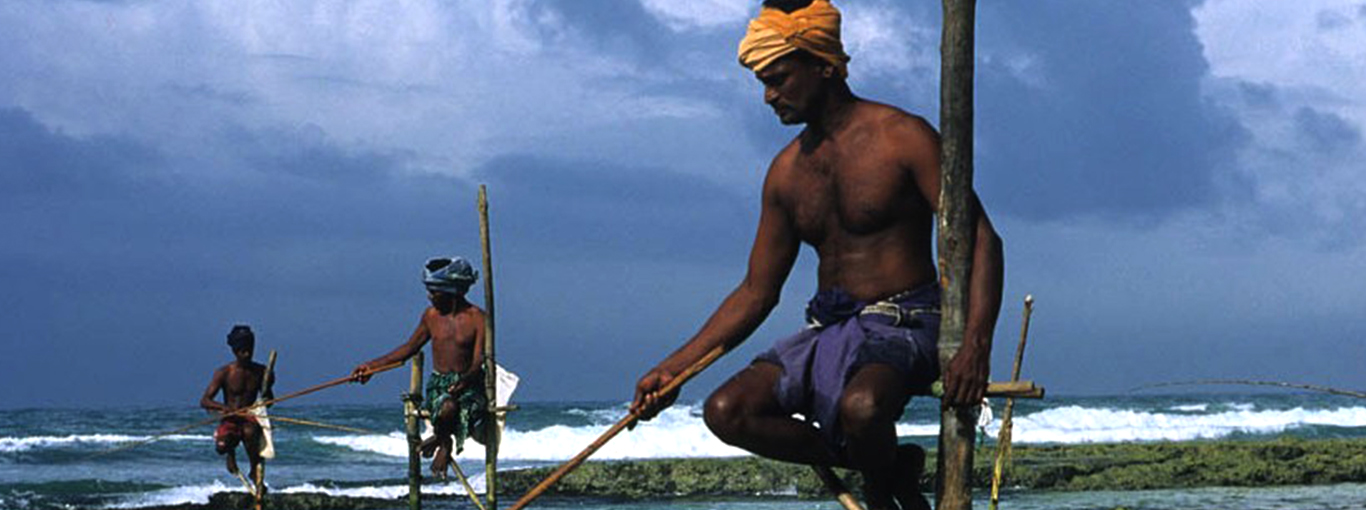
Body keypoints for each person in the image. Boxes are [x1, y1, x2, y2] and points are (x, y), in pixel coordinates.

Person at [629, 1, 1004, 509]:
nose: (768, 95)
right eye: (763, 81)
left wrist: (974, 347)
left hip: (908, 322)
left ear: (823, 64)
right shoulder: (786, 174)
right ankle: (889, 466)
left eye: (779, 78)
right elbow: (756, 292)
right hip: (828, 331)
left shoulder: (902, 137)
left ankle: (882, 485)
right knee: (726, 411)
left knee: (864, 407)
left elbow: (981, 239)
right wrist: (672, 370)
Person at [352, 257, 488, 479]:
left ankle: (441, 442)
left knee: (452, 406)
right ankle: (444, 440)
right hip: (440, 387)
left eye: (434, 291)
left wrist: (466, 380)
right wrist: (372, 367)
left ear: (452, 291)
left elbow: (478, 360)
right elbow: (408, 348)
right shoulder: (430, 316)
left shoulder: (478, 318)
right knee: (446, 406)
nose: (429, 296)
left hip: (470, 386)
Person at [200, 324, 273, 481]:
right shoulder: (224, 372)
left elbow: (269, 400)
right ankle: (230, 455)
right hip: (230, 417)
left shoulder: (261, 372)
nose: (247, 354)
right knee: (221, 446)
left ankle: (254, 469)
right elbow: (205, 400)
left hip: (249, 417)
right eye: (242, 351)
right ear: (234, 351)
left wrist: (266, 396)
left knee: (250, 432)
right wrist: (226, 408)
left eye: (250, 349)